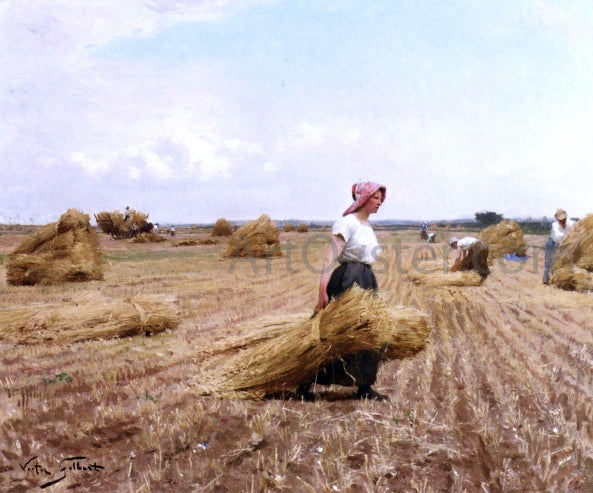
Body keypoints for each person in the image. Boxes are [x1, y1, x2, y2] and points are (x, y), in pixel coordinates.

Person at [296, 181, 388, 402]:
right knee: (333, 332)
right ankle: (303, 384)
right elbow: (330, 256)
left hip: (365, 278)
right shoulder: (347, 223)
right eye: (376, 198)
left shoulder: (367, 227)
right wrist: (322, 291)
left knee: (366, 332)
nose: (380, 203)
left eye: (381, 198)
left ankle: (364, 386)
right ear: (364, 198)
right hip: (348, 279)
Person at [543, 208, 575, 284]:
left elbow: (577, 228)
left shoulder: (571, 223)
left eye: (564, 219)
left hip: (565, 244)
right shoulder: (554, 225)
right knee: (549, 262)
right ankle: (545, 280)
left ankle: (558, 280)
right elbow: (558, 237)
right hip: (553, 243)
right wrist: (569, 235)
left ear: (566, 218)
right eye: (560, 220)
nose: (563, 222)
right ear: (557, 220)